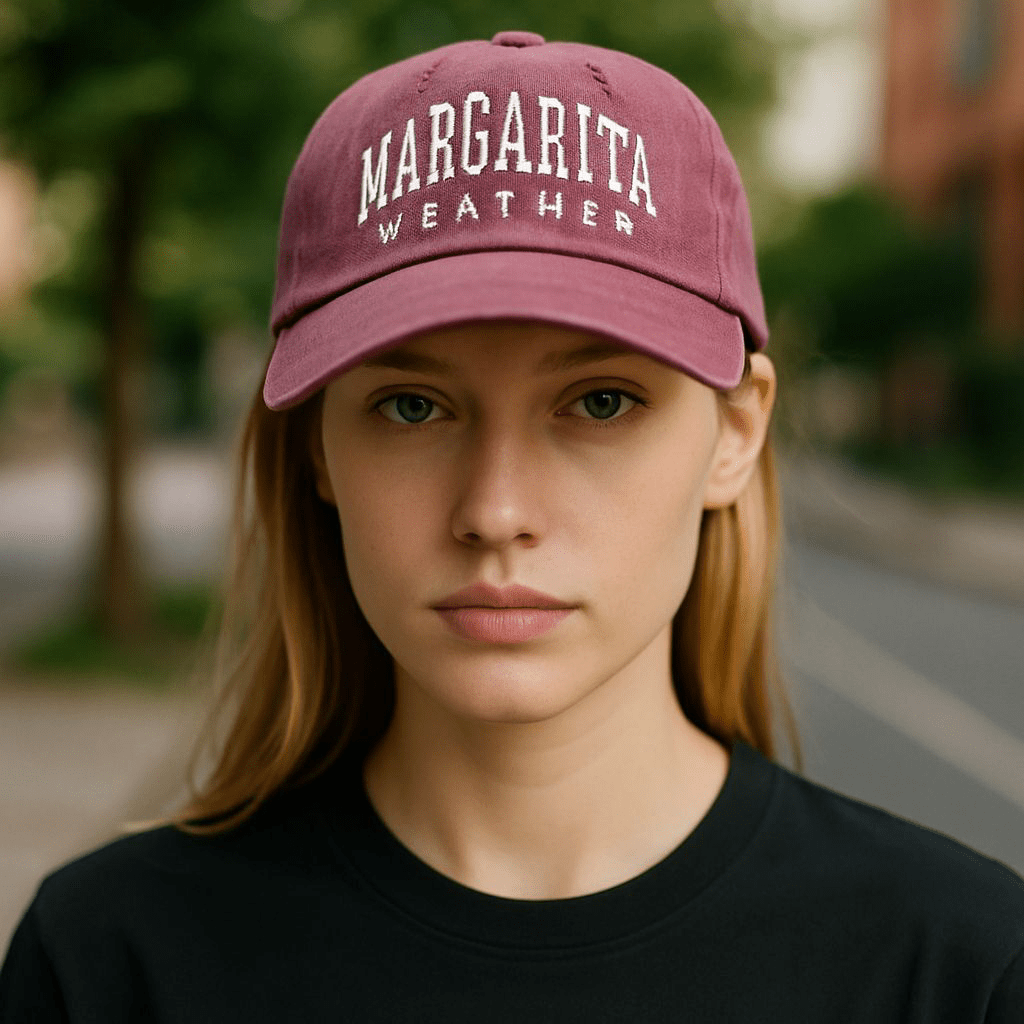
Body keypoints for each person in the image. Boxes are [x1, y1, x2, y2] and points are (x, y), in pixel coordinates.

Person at [1, 30, 1022, 1022]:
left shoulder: (959, 971)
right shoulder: (109, 963)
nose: (495, 512)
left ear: (734, 433)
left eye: (600, 401)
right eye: (412, 406)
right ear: (315, 446)